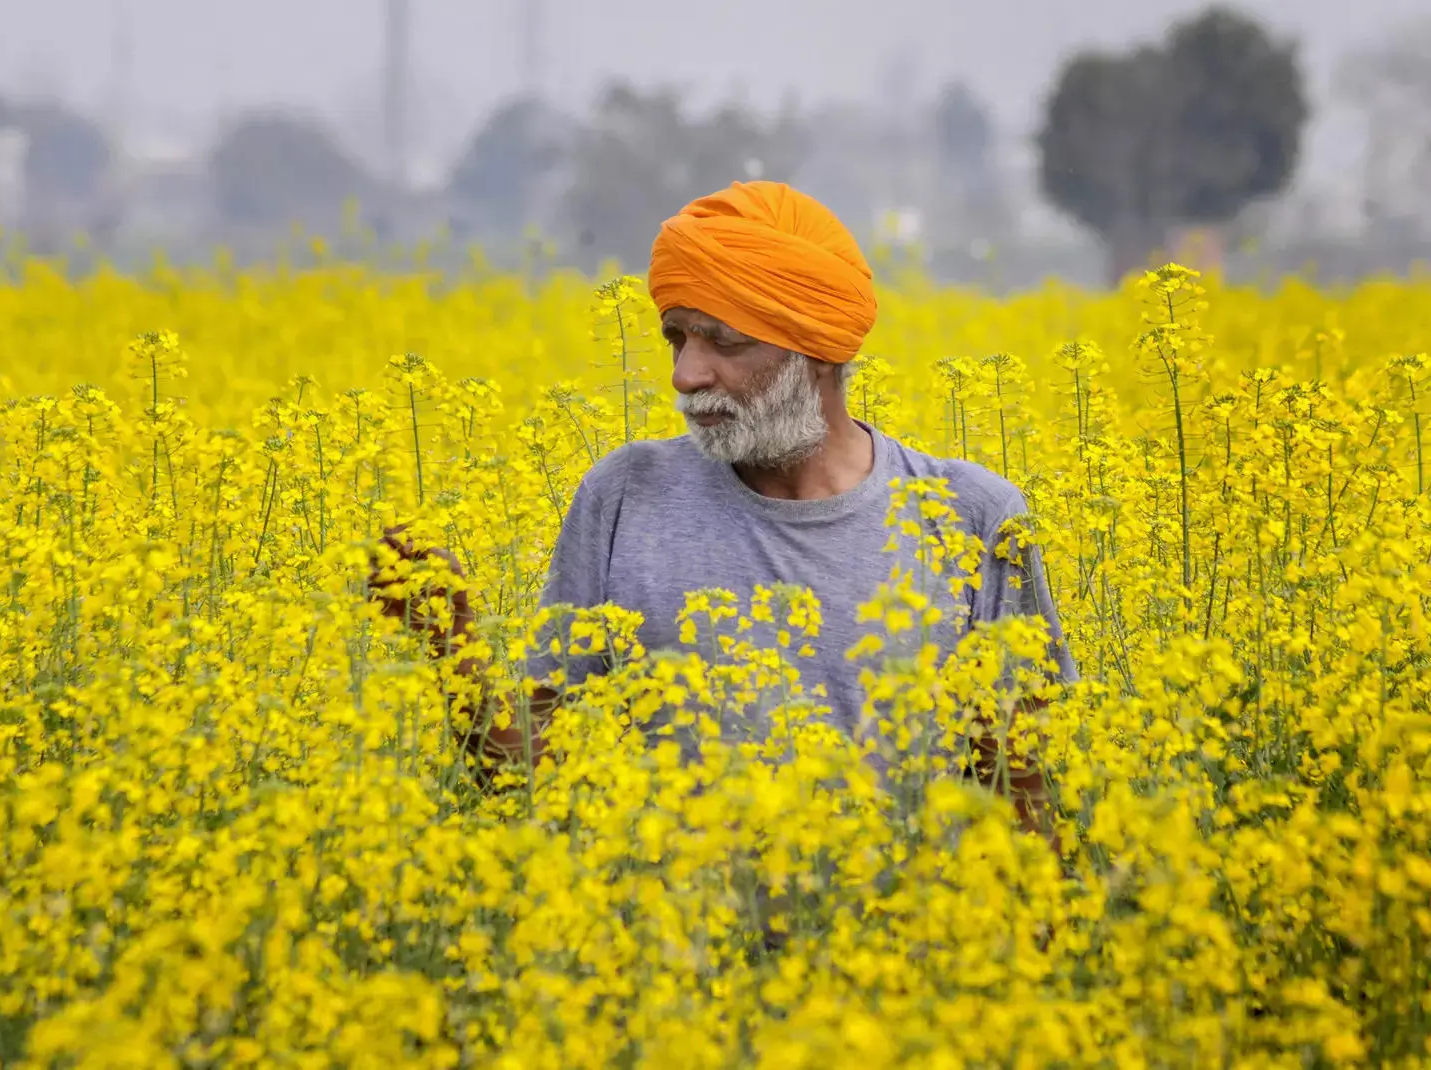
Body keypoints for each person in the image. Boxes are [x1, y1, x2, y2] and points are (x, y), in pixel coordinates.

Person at [383, 181, 1077, 834]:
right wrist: (455, 644)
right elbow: (529, 787)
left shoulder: (972, 517)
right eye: (676, 338)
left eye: (726, 340)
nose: (686, 374)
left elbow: (1022, 810)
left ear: (819, 348)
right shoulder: (623, 496)